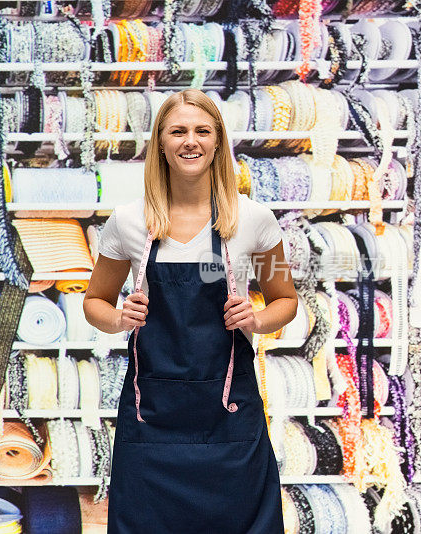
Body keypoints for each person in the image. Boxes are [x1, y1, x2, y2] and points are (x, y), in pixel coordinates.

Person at [84, 89, 298, 533]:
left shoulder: (254, 219)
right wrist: (120, 318)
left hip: (230, 421)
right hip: (151, 423)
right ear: (159, 143)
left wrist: (257, 318)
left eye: (203, 131)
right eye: (177, 131)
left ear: (218, 141)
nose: (190, 141)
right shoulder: (128, 221)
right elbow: (93, 303)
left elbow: (287, 300)